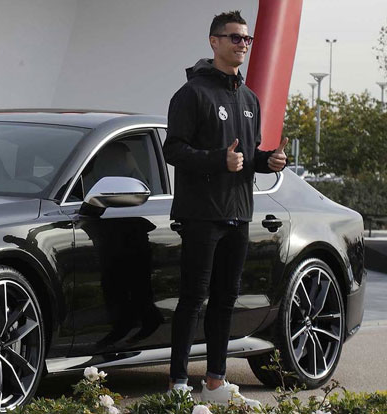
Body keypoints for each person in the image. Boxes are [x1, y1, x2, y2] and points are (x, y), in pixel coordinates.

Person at [162, 10, 288, 407]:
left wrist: (267, 160)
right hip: (201, 215)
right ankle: (178, 384)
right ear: (214, 42)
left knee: (225, 301)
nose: (242, 45)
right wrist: (219, 160)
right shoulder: (192, 94)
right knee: (192, 299)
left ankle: (215, 382)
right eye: (234, 37)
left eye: (247, 39)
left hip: (239, 213)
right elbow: (172, 150)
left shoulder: (250, 99)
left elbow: (246, 156)